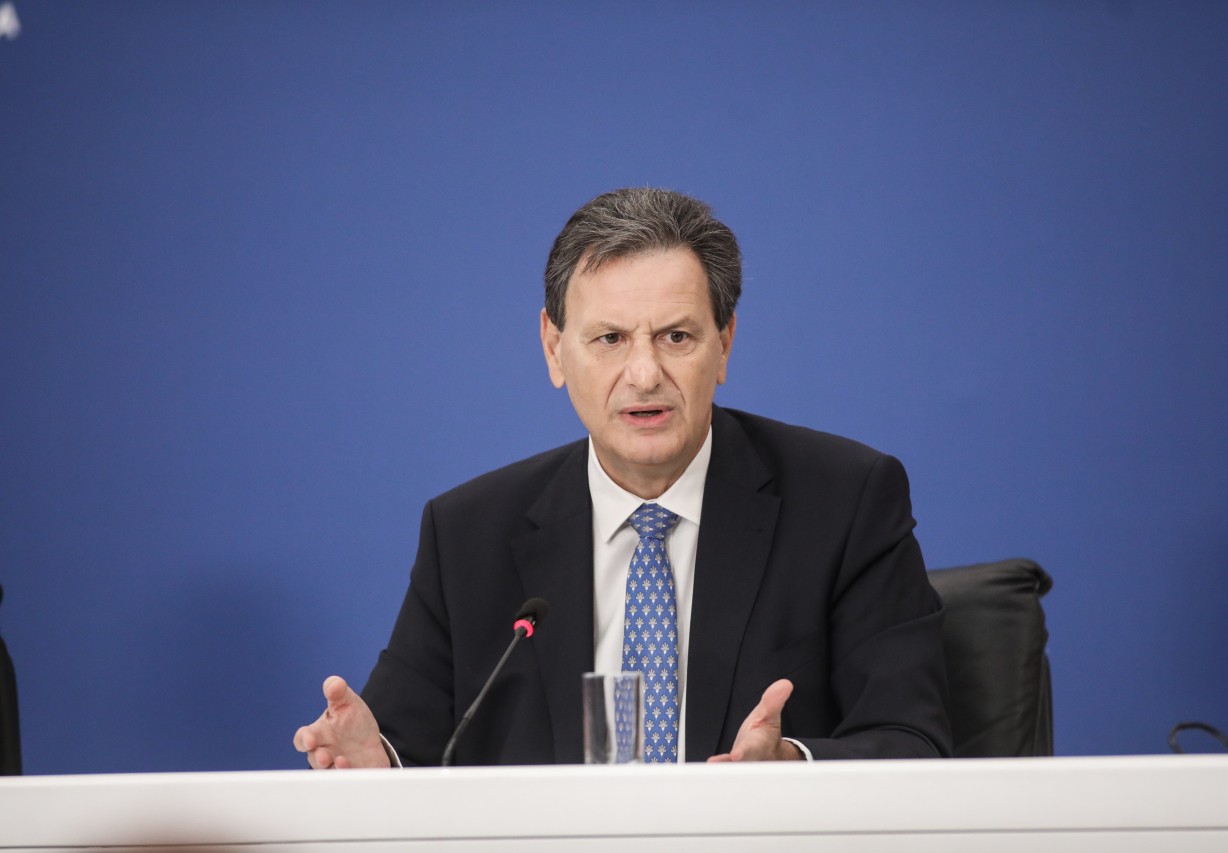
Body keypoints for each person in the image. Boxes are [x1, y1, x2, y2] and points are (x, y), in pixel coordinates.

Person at [294, 188, 951, 768]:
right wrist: (376, 763)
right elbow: (405, 750)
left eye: (676, 337)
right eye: (609, 339)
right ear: (554, 348)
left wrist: (791, 766)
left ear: (724, 343)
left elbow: (912, 740)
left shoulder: (844, 502)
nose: (643, 374)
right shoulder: (468, 535)